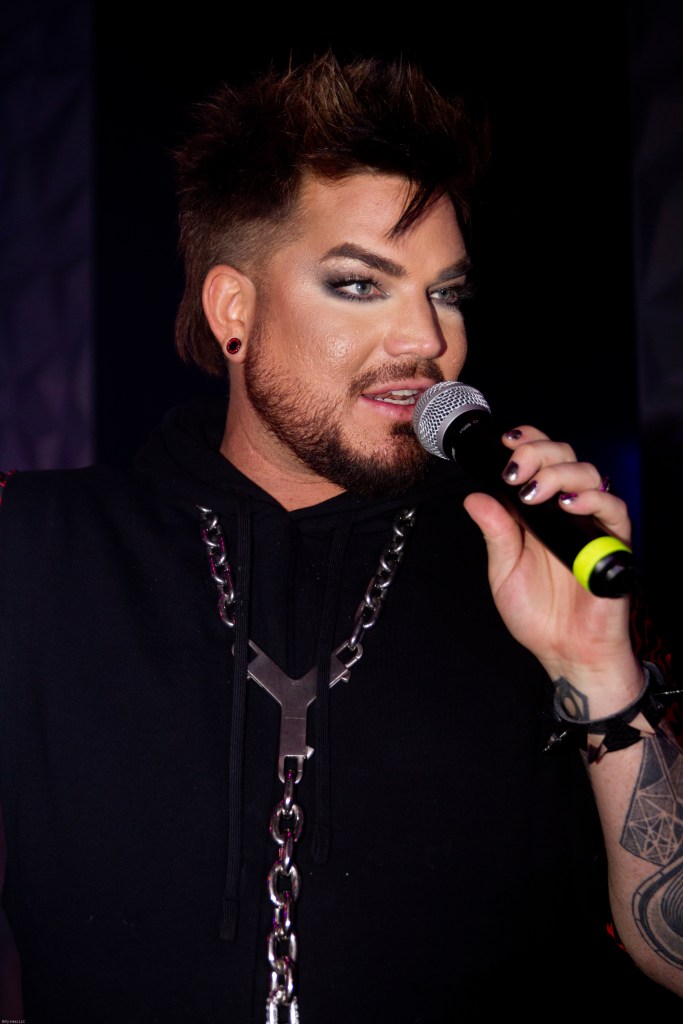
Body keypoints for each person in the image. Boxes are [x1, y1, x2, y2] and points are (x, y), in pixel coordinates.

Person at [0, 50, 681, 1023]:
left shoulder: (527, 569)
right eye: (361, 285)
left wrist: (599, 674)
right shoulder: (39, 546)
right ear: (234, 311)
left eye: (446, 292)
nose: (426, 340)